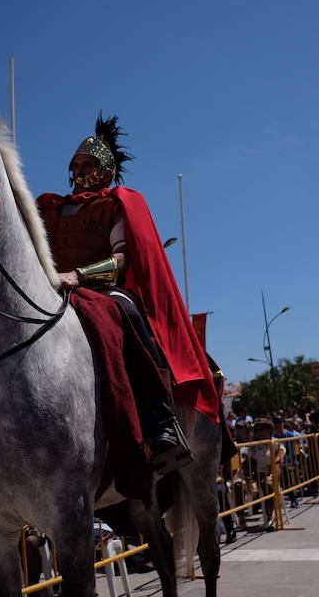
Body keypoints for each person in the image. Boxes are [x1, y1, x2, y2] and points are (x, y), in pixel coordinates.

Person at [36, 114, 219, 474]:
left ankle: (161, 420)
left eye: (88, 163)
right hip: (53, 287)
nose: (79, 169)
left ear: (105, 171)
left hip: (103, 290)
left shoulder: (115, 204)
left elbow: (121, 258)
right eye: (75, 163)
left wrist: (79, 274)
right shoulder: (50, 208)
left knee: (129, 315)